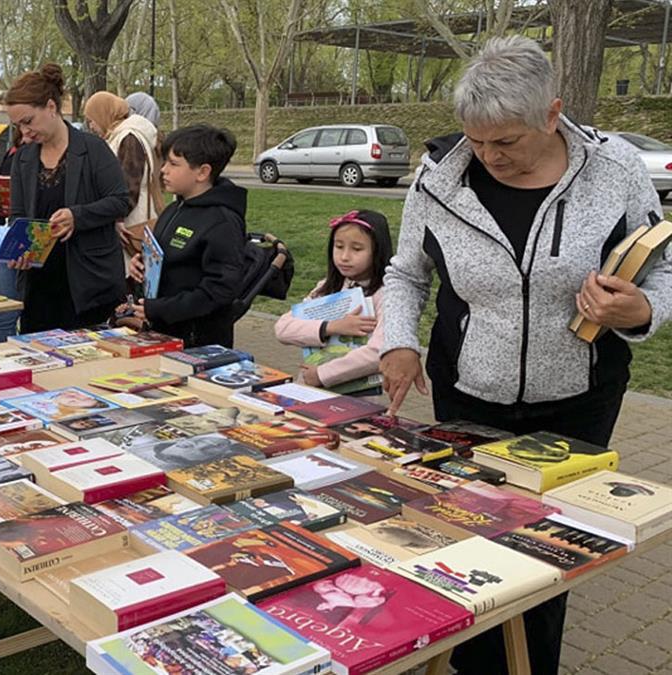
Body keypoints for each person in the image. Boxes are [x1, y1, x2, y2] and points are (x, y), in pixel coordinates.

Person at [378, 36, 670, 675]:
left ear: (552, 113)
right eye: (476, 140)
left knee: (544, 560)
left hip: (577, 404)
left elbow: (663, 264)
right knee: (466, 545)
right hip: (467, 392)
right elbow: (405, 274)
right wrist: (397, 341)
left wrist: (642, 311)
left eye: (505, 141)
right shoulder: (439, 177)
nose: (489, 157)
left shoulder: (615, 167)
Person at [4, 64, 130, 333]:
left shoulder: (93, 149)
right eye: (17, 125)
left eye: (28, 121)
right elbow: (17, 214)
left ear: (51, 107)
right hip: (40, 285)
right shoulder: (24, 158)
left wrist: (78, 216)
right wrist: (20, 247)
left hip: (89, 284)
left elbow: (121, 200)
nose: (24, 133)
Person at [120, 124, 247, 348]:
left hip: (198, 342)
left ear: (202, 172)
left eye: (174, 164)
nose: (163, 170)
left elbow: (220, 290)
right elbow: (165, 257)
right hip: (162, 331)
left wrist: (162, 309)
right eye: (165, 162)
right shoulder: (174, 208)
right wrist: (141, 264)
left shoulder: (222, 221)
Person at [274, 210, 391, 393]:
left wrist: (322, 374)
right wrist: (330, 327)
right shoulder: (327, 288)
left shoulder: (386, 295)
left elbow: (378, 352)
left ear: (377, 251)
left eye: (357, 249)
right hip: (309, 390)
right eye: (338, 246)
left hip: (356, 398)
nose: (344, 257)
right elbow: (283, 328)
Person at [84, 91, 164, 248]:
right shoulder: (120, 135)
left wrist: (114, 215)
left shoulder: (129, 137)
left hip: (132, 221)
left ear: (103, 114)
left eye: (91, 121)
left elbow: (129, 183)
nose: (91, 126)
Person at [0, 128, 25, 343]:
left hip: (31, 236)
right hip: (3, 233)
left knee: (27, 314)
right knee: (4, 314)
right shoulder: (13, 152)